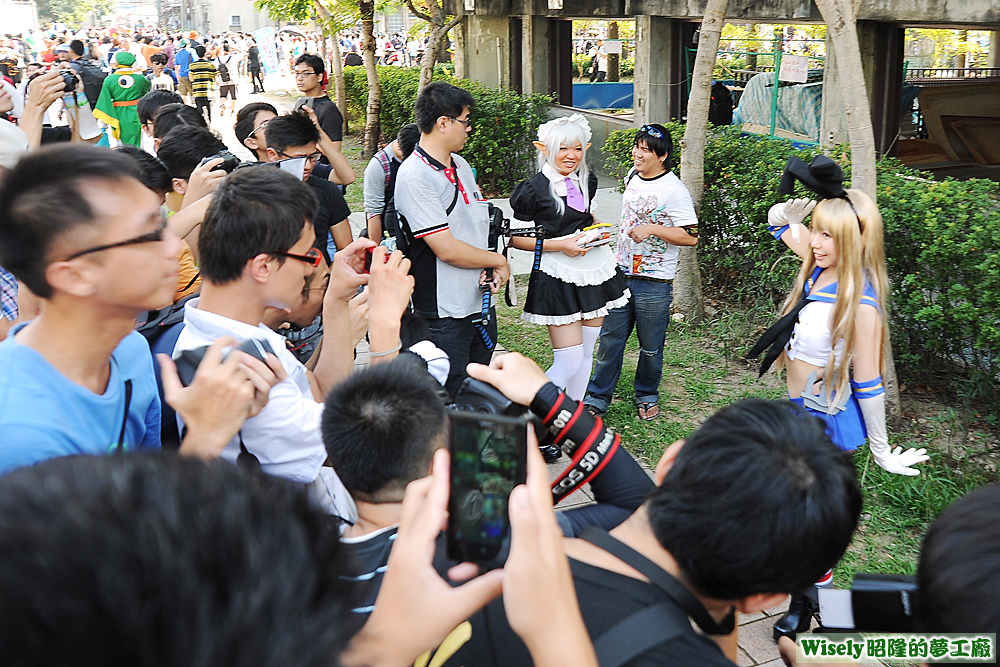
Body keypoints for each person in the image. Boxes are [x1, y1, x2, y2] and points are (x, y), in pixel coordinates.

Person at [441, 351, 863, 667]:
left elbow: (635, 500)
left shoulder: (474, 537)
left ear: (668, 461)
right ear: (765, 599)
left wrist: (550, 399)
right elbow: (633, 500)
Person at [0, 145, 279, 472]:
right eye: (149, 234)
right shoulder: (23, 434)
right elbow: (135, 523)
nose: (174, 246)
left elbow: (144, 485)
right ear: (74, 275)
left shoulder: (129, 350)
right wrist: (206, 433)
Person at [749, 155, 929, 640]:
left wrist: (881, 447)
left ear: (852, 241)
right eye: (817, 229)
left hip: (828, 423)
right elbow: (777, 224)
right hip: (795, 413)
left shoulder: (861, 301)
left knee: (816, 521)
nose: (815, 240)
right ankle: (806, 601)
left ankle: (816, 603)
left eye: (828, 234)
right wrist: (791, 209)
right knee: (793, 514)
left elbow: (869, 381)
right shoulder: (817, 266)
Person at [171, 166, 402, 519]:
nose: (313, 269)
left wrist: (336, 297)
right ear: (263, 266)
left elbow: (321, 391)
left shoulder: (234, 332)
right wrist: (386, 330)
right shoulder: (235, 367)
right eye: (307, 255)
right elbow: (368, 447)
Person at [394, 81, 511, 397]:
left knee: (479, 393)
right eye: (465, 121)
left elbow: (472, 228)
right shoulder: (415, 176)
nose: (469, 129)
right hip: (442, 314)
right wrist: (498, 260)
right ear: (442, 123)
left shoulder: (461, 165)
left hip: (477, 304)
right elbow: (445, 248)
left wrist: (487, 266)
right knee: (448, 399)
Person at [508, 114, 629, 402]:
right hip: (557, 274)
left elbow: (586, 218)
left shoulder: (588, 181)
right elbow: (514, 238)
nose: (570, 155)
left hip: (593, 270)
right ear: (543, 148)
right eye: (562, 148)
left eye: (577, 148)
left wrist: (595, 231)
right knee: (569, 361)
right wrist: (561, 245)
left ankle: (571, 420)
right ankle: (522, 413)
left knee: (587, 353)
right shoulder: (532, 190)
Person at [584, 124, 698, 421]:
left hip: (654, 282)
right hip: (620, 273)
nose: (637, 153)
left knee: (650, 348)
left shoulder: (675, 191)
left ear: (663, 156)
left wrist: (653, 230)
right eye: (637, 146)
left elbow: (691, 236)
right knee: (610, 341)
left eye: (646, 149)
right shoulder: (633, 176)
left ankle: (647, 394)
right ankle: (597, 396)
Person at [263, 111, 353, 264]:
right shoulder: (252, 193)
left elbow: (347, 251)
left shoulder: (326, 191)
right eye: (298, 159)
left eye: (312, 157)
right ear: (272, 154)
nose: (308, 166)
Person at [363, 121, 420, 241]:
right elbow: (374, 212)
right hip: (391, 230)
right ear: (399, 147)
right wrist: (376, 248)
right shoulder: (378, 166)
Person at [292, 54, 346, 166]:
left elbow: (335, 150)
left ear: (319, 77)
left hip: (322, 171)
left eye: (306, 74)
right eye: (297, 73)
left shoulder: (328, 109)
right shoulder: (302, 103)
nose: (299, 78)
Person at [92, 51, 151, 147]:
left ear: (117, 62)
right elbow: (146, 92)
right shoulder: (141, 79)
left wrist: (103, 123)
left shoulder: (109, 79)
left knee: (120, 142)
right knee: (138, 140)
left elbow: (104, 100)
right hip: (137, 112)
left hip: (118, 113)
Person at [188, 45, 217, 123]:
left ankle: (201, 126)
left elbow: (191, 79)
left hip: (198, 91)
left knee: (200, 112)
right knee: (209, 111)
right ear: (205, 53)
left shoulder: (192, 65)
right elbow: (215, 77)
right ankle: (209, 124)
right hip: (208, 91)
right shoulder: (210, 64)